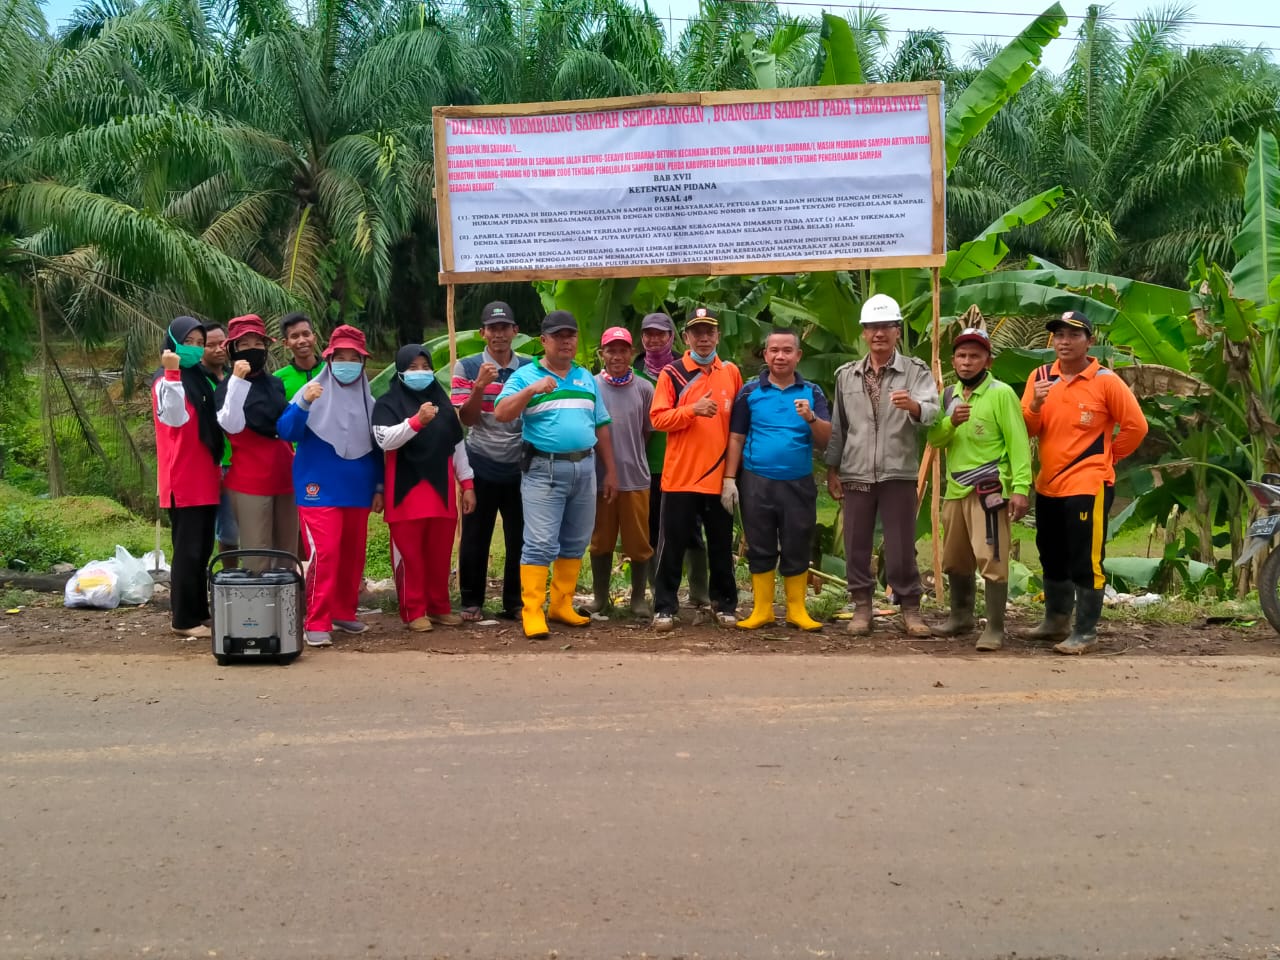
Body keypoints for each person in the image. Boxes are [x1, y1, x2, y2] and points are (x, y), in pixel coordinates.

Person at [1020, 310, 1148, 654]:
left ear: (1090, 341)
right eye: (1059, 335)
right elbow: (1027, 429)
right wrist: (1035, 404)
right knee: (1051, 553)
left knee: (1085, 559)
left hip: (1088, 484)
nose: (1064, 341)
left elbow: (1136, 426)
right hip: (1048, 484)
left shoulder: (1106, 381)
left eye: (1074, 335)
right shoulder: (1040, 377)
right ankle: (1055, 621)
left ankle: (1086, 632)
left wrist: (1110, 455)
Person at [494, 310, 618, 639]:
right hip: (544, 470)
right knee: (540, 543)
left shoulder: (585, 377)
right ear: (544, 340)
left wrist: (611, 471)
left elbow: (601, 424)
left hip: (585, 468)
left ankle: (561, 605)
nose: (566, 341)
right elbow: (501, 413)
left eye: (571, 335)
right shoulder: (526, 375)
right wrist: (532, 390)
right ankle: (532, 610)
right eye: (558, 336)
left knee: (576, 541)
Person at [825, 294, 939, 638]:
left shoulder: (915, 371)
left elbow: (933, 413)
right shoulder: (847, 375)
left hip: (898, 470)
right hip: (856, 470)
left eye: (886, 326)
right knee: (856, 543)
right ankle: (862, 606)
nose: (879, 333)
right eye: (872, 327)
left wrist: (914, 406)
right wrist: (832, 468)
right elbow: (839, 426)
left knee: (901, 544)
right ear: (863, 332)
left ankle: (910, 608)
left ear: (897, 331)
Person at [277, 323, 384, 647]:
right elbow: (286, 431)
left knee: (352, 555)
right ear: (329, 359)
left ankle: (343, 611)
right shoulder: (311, 392)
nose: (347, 364)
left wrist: (379, 487)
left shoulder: (370, 401)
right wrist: (304, 403)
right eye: (340, 358)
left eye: (354, 358)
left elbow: (378, 446)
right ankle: (316, 621)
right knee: (325, 553)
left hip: (358, 488)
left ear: (363, 363)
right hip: (318, 489)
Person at [925, 327, 1032, 651]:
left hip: (989, 490)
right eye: (961, 355)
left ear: (988, 360)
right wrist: (951, 422)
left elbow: (1018, 443)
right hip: (955, 489)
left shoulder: (1001, 394)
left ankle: (995, 628)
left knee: (992, 557)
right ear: (953, 360)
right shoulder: (948, 396)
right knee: (955, 558)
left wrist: (1021, 488)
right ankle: (960, 617)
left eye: (975, 356)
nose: (967, 362)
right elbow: (934, 440)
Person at [724, 328, 832, 632]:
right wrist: (729, 478)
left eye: (787, 350)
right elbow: (736, 437)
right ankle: (762, 609)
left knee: (797, 542)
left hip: (798, 482)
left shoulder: (812, 392)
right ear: (765, 354)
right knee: (760, 544)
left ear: (798, 355)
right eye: (774, 350)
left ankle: (797, 610)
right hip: (756, 481)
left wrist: (811, 418)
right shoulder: (749, 392)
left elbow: (827, 439)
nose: (780, 356)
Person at [649, 307, 743, 631]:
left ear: (718, 335)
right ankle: (665, 607)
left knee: (720, 545)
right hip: (681, 477)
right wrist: (692, 410)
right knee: (672, 546)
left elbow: (737, 426)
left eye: (709, 332)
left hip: (718, 477)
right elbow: (658, 418)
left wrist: (732, 476)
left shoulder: (730, 372)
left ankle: (724, 604)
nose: (704, 338)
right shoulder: (672, 373)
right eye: (697, 332)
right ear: (686, 337)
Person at [374, 345, 476, 632]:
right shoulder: (387, 404)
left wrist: (467, 484)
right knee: (410, 556)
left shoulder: (441, 403)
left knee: (439, 556)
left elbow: (457, 446)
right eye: (412, 367)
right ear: (400, 371)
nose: (420, 372)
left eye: (425, 366)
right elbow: (384, 439)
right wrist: (416, 422)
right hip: (405, 494)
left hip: (441, 494)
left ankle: (439, 607)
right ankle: (413, 609)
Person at [451, 301, 532, 621]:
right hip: (480, 462)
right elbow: (467, 419)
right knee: (475, 535)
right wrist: (480, 387)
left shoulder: (529, 368)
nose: (499, 334)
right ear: (482, 333)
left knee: (520, 536)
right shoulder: (467, 367)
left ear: (515, 331)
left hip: (520, 465)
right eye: (492, 328)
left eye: (505, 328)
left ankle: (515, 602)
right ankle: (471, 600)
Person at [151, 316, 223, 639]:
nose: (194, 348)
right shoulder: (164, 380)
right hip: (182, 477)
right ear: (172, 343)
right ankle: (183, 619)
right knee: (187, 550)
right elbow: (175, 417)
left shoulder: (199, 379)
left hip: (205, 474)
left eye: (199, 342)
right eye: (188, 342)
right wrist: (171, 373)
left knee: (203, 549)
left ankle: (199, 612)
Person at [634, 311, 711, 607]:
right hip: (649, 464)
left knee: (691, 529)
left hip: (686, 463)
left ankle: (699, 592)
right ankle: (659, 591)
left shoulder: (687, 368)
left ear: (671, 337)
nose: (654, 339)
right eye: (649, 334)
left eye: (661, 334)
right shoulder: (634, 372)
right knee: (654, 529)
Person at [214, 314, 297, 569]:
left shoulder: (275, 384)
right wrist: (238, 382)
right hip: (251, 480)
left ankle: (288, 596)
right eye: (244, 344)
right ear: (232, 350)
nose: (253, 349)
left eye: (259, 343)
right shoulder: (226, 388)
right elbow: (231, 424)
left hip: (284, 474)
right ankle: (258, 597)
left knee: (287, 553)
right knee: (257, 556)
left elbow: (285, 424)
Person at [587, 327, 655, 617]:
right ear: (601, 354)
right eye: (611, 350)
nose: (617, 356)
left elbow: (647, 431)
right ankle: (600, 598)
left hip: (635, 477)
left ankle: (638, 599)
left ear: (632, 353)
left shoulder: (644, 388)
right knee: (600, 540)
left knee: (638, 542)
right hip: (599, 478)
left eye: (623, 350)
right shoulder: (590, 386)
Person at [201, 321, 239, 562]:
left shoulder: (234, 377)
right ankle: (220, 575)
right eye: (210, 345)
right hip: (211, 463)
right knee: (212, 528)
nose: (218, 349)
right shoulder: (197, 381)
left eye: (222, 343)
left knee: (232, 527)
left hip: (237, 461)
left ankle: (232, 576)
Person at [275, 312, 324, 401]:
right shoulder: (277, 379)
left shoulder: (330, 370)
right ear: (286, 343)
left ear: (314, 338)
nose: (302, 341)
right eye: (295, 336)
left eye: (306, 334)